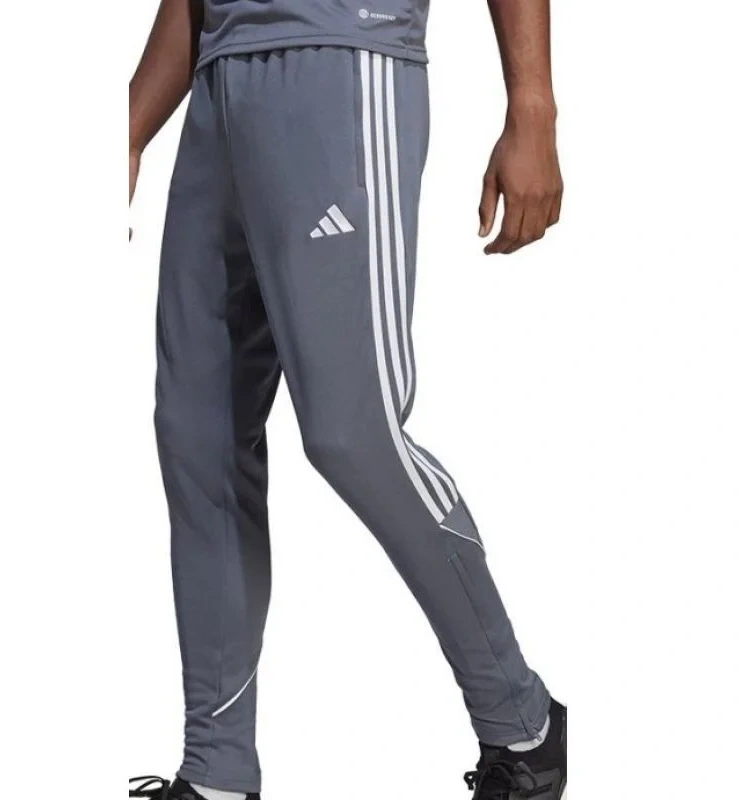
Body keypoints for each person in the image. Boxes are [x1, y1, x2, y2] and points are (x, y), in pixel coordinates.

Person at [128, 1, 566, 798]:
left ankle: (522, 721)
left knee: (352, 432)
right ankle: (217, 770)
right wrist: (126, 131)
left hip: (343, 60)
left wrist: (531, 107)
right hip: (218, 84)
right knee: (198, 433)